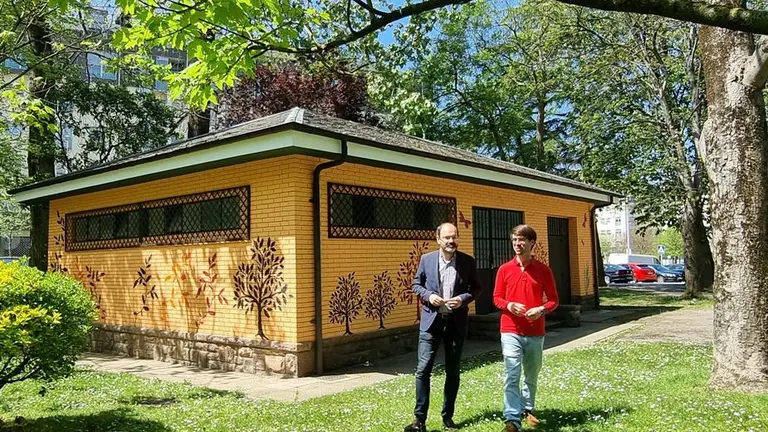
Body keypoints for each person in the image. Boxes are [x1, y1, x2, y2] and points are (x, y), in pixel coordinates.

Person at [404, 222, 482, 432]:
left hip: (456, 323)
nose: (451, 241)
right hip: (431, 323)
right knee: (423, 370)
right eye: (447, 237)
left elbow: (476, 288)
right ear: (438, 239)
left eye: (454, 237)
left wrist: (463, 299)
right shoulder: (426, 259)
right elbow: (416, 285)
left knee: (452, 370)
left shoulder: (467, 261)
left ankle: (448, 417)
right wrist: (429, 295)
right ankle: (419, 420)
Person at [493, 224, 559, 432]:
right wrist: (509, 305)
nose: (517, 244)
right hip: (510, 329)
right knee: (512, 372)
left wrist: (541, 309)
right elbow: (496, 298)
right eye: (514, 240)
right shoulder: (504, 269)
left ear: (532, 243)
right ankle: (512, 418)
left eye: (521, 240)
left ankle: (527, 409)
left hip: (535, 331)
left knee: (531, 373)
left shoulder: (543, 270)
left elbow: (554, 300)